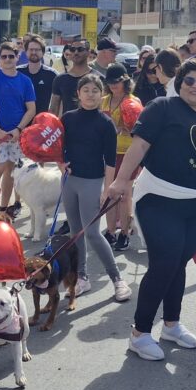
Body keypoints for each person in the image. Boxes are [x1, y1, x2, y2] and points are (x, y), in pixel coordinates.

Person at [107, 58, 196, 361]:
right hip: (159, 197)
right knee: (164, 262)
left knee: (178, 264)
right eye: (189, 80)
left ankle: (171, 324)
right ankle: (140, 333)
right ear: (179, 81)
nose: (195, 86)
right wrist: (120, 181)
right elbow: (140, 146)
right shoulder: (162, 106)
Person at [60, 74, 132, 302]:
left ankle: (117, 279)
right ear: (78, 93)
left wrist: (107, 189)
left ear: (102, 94)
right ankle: (82, 277)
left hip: (93, 182)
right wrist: (61, 163)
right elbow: (57, 147)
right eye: (86, 90)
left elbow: (110, 160)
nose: (90, 94)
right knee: (74, 233)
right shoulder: (68, 118)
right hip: (70, 181)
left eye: (95, 90)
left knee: (91, 232)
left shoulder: (105, 123)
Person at [0, 40, 36, 213]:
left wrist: (19, 129)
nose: (8, 59)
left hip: (17, 135)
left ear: (17, 57)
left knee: (11, 171)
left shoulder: (25, 81)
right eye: (4, 56)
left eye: (11, 56)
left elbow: (31, 109)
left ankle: (3, 208)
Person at [100, 64, 138, 252]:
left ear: (125, 81)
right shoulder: (103, 101)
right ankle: (110, 231)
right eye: (110, 82)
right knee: (109, 194)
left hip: (128, 153)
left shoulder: (133, 101)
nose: (114, 85)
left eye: (118, 82)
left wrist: (127, 128)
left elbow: (141, 132)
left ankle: (124, 232)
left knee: (124, 195)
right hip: (108, 152)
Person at [50, 37, 92, 115]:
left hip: (93, 126)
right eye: (73, 49)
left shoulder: (97, 78)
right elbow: (53, 111)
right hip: (67, 125)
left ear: (88, 53)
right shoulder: (60, 79)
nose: (76, 52)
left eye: (80, 49)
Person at [19, 34, 57, 115]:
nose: (34, 52)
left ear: (43, 52)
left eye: (37, 50)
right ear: (26, 52)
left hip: (43, 123)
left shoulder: (52, 74)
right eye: (31, 49)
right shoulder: (18, 72)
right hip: (20, 122)